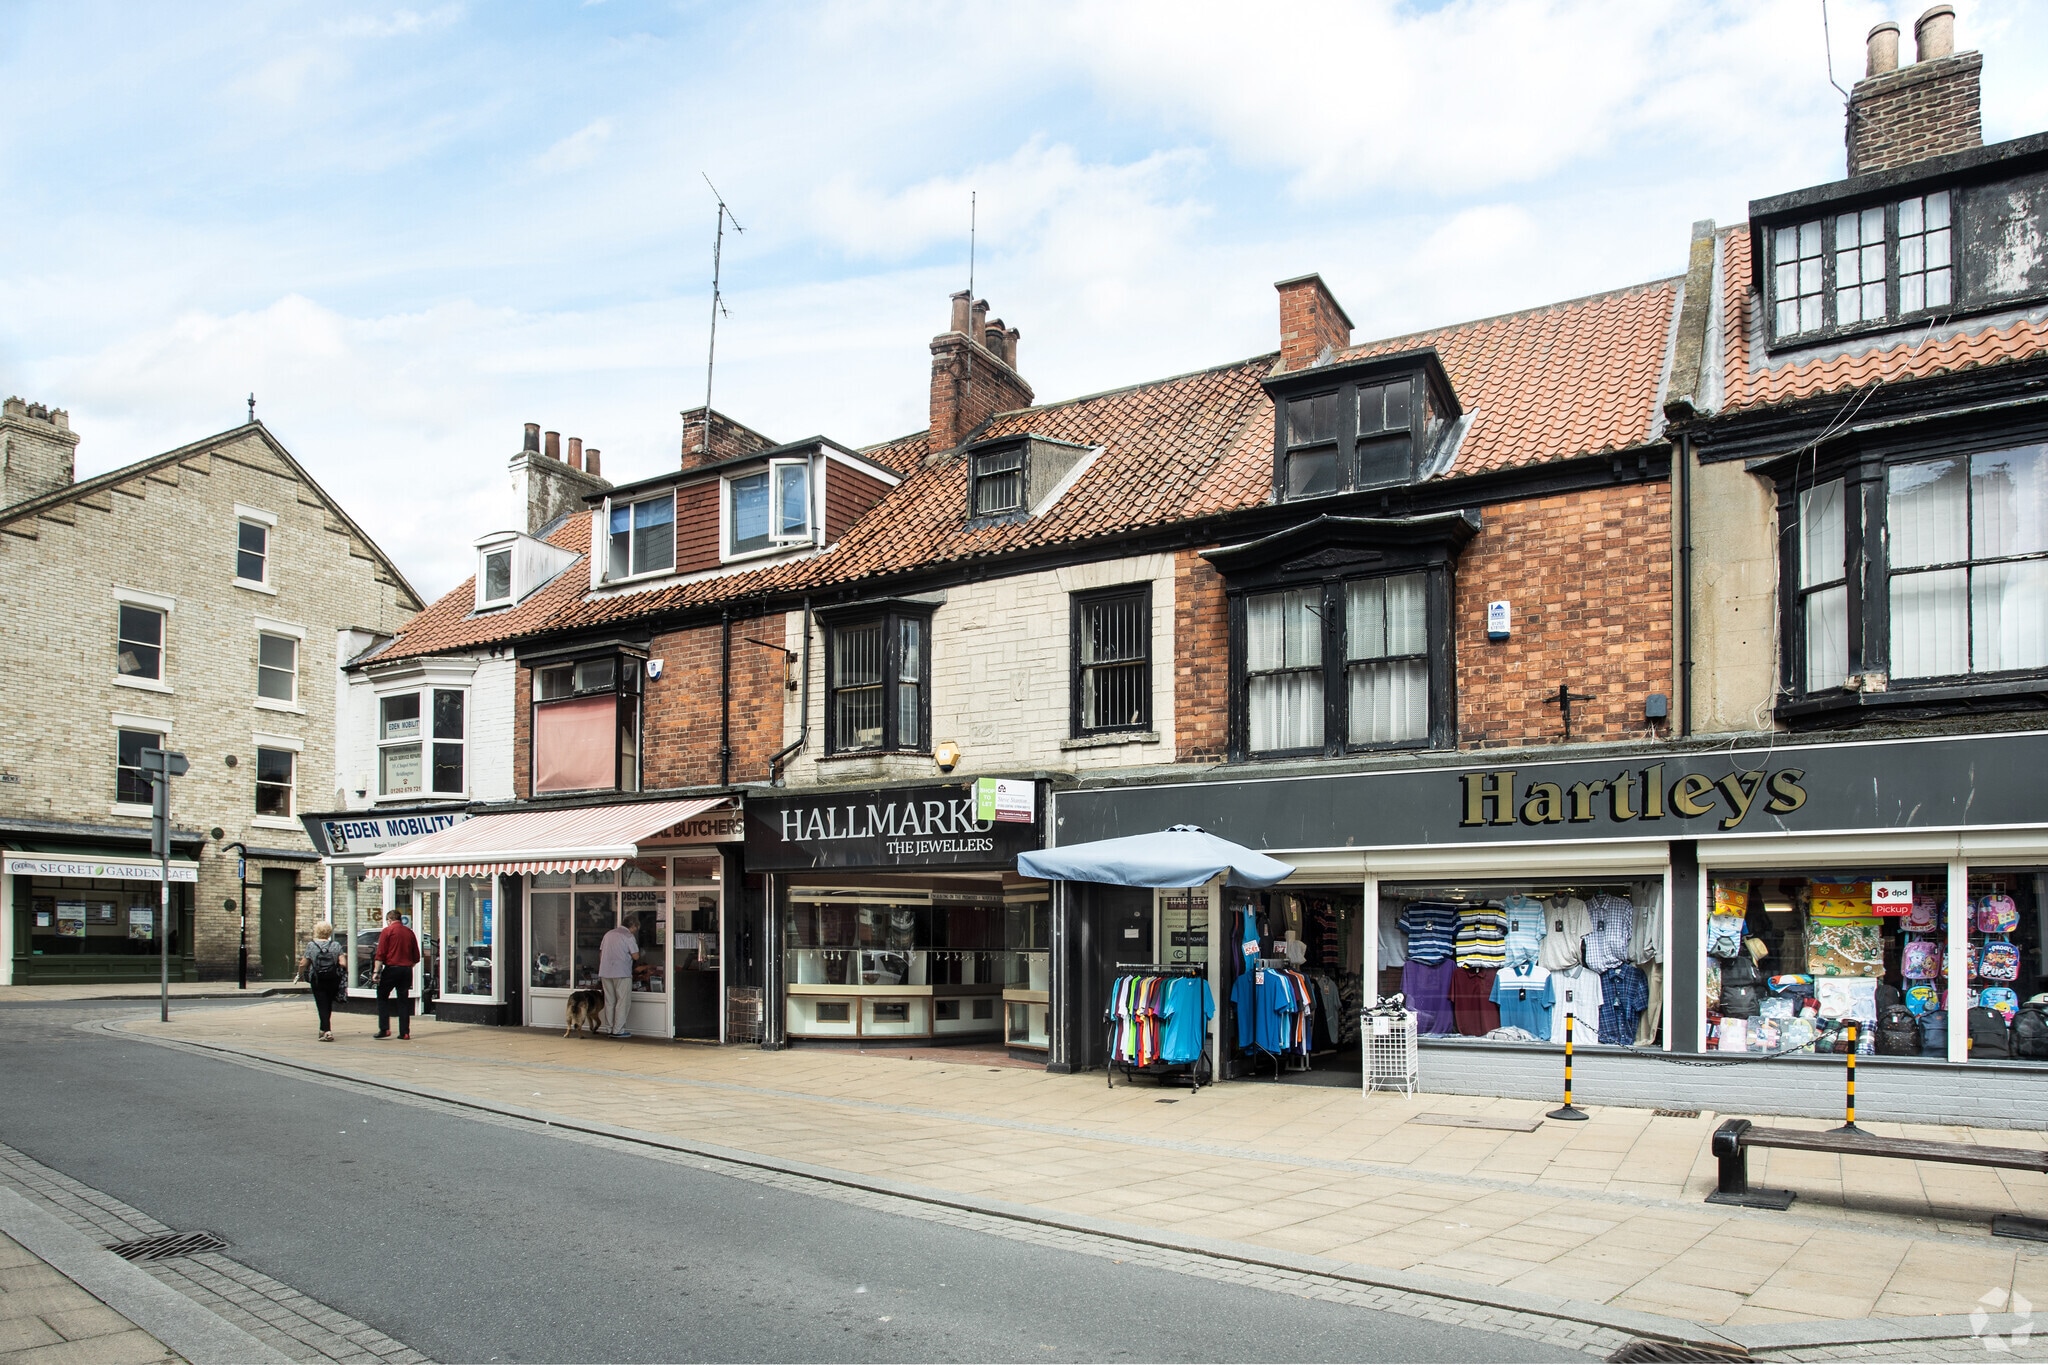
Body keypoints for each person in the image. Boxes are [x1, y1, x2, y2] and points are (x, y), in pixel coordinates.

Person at [371, 907, 422, 1040]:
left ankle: (384, 1028)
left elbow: (380, 953)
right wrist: (408, 965)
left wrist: (376, 971)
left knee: (382, 996)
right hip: (406, 970)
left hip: (392, 969)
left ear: (389, 920)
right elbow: (416, 956)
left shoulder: (387, 931)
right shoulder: (409, 932)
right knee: (403, 1000)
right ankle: (404, 1032)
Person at [298, 921, 346, 1042]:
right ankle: (322, 1029)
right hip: (332, 978)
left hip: (317, 979)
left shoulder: (311, 945)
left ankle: (327, 1031)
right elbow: (343, 963)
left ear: (317, 931)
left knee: (321, 1004)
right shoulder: (336, 945)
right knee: (327, 1003)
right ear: (329, 932)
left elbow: (303, 963)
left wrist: (300, 974)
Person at [598, 917, 640, 1039]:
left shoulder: (608, 934)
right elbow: (636, 956)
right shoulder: (628, 936)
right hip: (622, 972)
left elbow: (601, 953)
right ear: (633, 926)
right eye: (636, 928)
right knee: (622, 1001)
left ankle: (609, 1028)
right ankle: (618, 1030)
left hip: (605, 972)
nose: (636, 931)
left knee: (609, 1001)